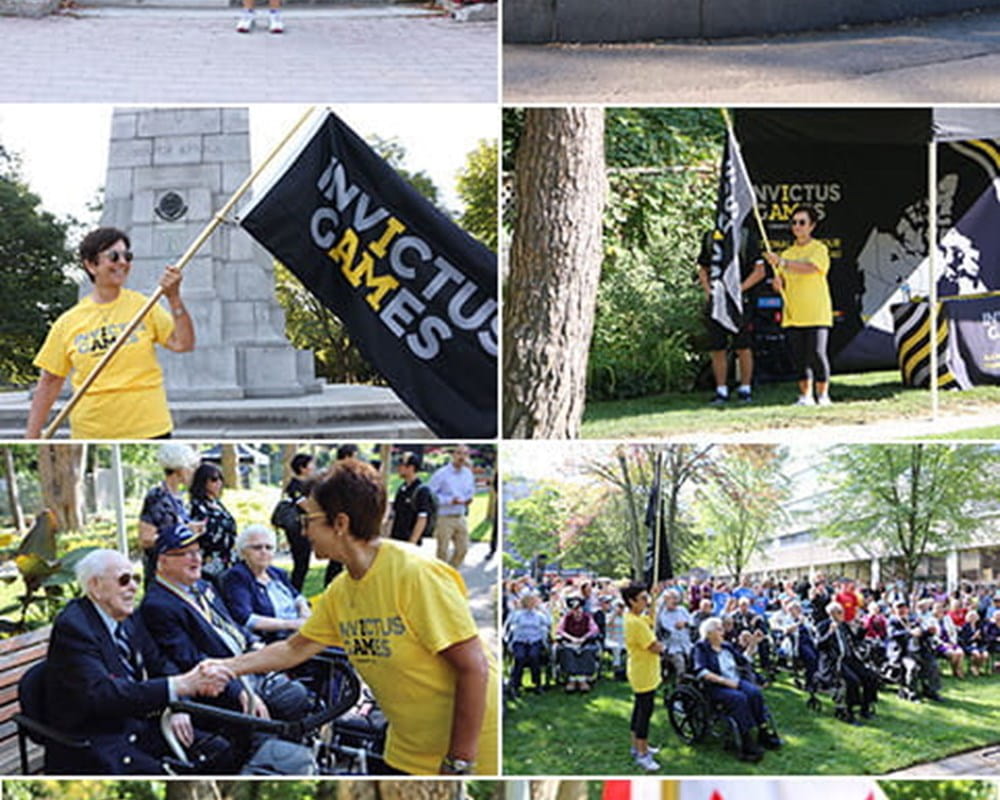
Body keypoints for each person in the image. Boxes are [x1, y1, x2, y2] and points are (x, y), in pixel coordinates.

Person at [200, 459, 498, 776]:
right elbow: (294, 649)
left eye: (308, 519)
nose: (302, 529)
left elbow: (473, 666)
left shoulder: (415, 574)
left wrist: (459, 762)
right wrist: (227, 667)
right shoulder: (341, 591)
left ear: (340, 523)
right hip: (407, 745)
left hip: (470, 747)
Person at [44, 549, 229, 774]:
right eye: (124, 580)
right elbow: (103, 694)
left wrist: (178, 702)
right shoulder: (74, 627)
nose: (133, 586)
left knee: (220, 750)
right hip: (97, 741)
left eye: (136, 579)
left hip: (138, 724)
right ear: (95, 586)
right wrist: (180, 685)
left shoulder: (129, 617)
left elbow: (159, 663)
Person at [26, 226, 195, 439]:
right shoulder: (68, 322)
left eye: (127, 256)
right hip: (93, 431)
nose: (123, 263)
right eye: (113, 256)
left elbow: (183, 344)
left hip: (149, 429)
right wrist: (32, 437)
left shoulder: (145, 306)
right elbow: (49, 381)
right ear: (90, 265)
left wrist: (174, 298)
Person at [139, 523, 270, 719]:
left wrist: (255, 644)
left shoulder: (202, 586)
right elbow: (189, 660)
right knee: (294, 698)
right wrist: (239, 690)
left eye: (197, 552)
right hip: (223, 683)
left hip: (247, 664)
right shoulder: (158, 605)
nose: (197, 559)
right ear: (162, 561)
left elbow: (230, 625)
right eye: (186, 553)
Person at [764, 205, 833, 406]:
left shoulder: (819, 249)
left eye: (802, 222)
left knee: (817, 354)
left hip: (816, 312)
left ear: (812, 226)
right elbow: (782, 283)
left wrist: (783, 263)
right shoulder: (787, 252)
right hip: (793, 312)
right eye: (794, 223)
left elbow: (812, 268)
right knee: (799, 358)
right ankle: (805, 396)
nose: (797, 226)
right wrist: (777, 284)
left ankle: (823, 395)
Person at [693, 617, 780, 762]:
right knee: (739, 699)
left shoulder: (726, 646)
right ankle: (746, 739)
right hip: (716, 686)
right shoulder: (701, 648)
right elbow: (701, 671)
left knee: (754, 693)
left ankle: (763, 730)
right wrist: (725, 681)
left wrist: (753, 643)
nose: (723, 632)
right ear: (709, 633)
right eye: (719, 629)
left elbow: (744, 660)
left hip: (735, 680)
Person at [696, 228, 766, 405]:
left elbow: (760, 271)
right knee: (717, 346)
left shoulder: (745, 235)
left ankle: (745, 389)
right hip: (717, 301)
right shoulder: (711, 236)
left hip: (740, 302)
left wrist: (737, 290)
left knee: (743, 345)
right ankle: (721, 390)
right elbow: (702, 266)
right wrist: (708, 291)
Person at [221, 523, 311, 642]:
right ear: (242, 552)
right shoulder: (237, 576)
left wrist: (304, 612)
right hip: (276, 640)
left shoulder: (277, 573)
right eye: (257, 548)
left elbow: (297, 596)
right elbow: (245, 618)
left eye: (269, 547)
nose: (264, 552)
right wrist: (291, 624)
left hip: (299, 631)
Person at [139, 443, 203, 587]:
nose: (193, 472)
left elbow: (176, 527)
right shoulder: (157, 496)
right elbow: (146, 538)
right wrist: (182, 533)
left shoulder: (178, 498)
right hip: (163, 572)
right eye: (190, 467)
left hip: (182, 572)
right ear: (179, 470)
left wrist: (189, 529)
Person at [622, 583, 664, 772]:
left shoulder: (635, 617)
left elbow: (651, 619)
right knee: (644, 713)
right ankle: (642, 754)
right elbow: (654, 646)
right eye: (643, 598)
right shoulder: (635, 623)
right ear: (632, 601)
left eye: (647, 597)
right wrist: (663, 647)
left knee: (640, 709)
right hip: (643, 673)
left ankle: (637, 746)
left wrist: (654, 599)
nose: (646, 601)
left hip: (643, 671)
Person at [818, 601, 879, 721]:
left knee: (871, 676)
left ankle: (865, 707)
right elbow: (819, 645)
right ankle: (848, 711)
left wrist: (863, 628)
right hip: (834, 662)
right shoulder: (823, 625)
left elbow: (856, 640)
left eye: (842, 612)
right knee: (853, 681)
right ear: (831, 613)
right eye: (839, 612)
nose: (842, 614)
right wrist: (830, 632)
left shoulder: (843, 625)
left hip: (849, 659)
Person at [428, 445, 476, 568]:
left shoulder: (468, 474)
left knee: (463, 549)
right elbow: (430, 494)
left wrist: (469, 499)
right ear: (453, 455)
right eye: (459, 453)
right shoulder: (441, 474)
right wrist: (448, 500)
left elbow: (470, 490)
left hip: (460, 516)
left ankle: (451, 573)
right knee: (442, 551)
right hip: (444, 517)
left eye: (465, 454)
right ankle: (440, 576)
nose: (462, 457)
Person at [189, 462, 238, 582]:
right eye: (214, 479)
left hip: (227, 561)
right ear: (203, 481)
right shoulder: (196, 506)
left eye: (221, 479)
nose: (219, 483)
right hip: (207, 563)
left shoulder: (218, 505)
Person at [504, 592, 550, 695]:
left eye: (532, 601)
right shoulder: (517, 614)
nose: (530, 604)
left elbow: (548, 623)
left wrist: (544, 610)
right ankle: (515, 685)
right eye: (528, 601)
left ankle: (537, 684)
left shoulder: (539, 615)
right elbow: (510, 627)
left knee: (534, 656)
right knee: (520, 657)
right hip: (520, 640)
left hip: (535, 640)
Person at [282, 452, 315, 592]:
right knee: (300, 563)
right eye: (311, 464)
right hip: (297, 529)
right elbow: (306, 506)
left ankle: (295, 592)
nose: (313, 467)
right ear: (302, 468)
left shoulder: (307, 484)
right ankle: (294, 593)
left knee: (303, 563)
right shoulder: (295, 486)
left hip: (305, 527)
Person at [388, 451, 436, 544]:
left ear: (411, 468)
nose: (398, 468)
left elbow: (422, 518)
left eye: (401, 465)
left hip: (409, 542)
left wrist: (412, 542)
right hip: (397, 539)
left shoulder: (421, 490)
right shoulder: (402, 488)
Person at [556, 595, 601, 693]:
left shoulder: (587, 617)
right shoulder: (566, 618)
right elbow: (560, 630)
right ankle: (572, 680)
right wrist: (571, 638)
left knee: (588, 651)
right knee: (567, 651)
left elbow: (594, 630)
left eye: (579, 609)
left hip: (584, 642)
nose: (577, 612)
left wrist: (583, 638)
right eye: (574, 610)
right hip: (569, 642)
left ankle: (582, 680)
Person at [656, 588, 692, 682]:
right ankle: (680, 687)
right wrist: (677, 626)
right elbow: (666, 630)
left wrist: (685, 624)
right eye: (673, 598)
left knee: (695, 660)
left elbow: (692, 623)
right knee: (680, 663)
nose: (676, 601)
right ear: (666, 600)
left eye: (677, 598)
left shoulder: (682, 610)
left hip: (686, 644)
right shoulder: (662, 614)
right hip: (671, 647)